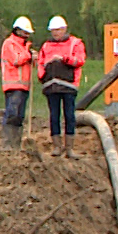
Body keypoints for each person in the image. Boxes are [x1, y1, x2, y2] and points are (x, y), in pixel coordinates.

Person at [36, 15, 87, 157]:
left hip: (68, 86)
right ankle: (57, 146)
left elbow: (80, 60)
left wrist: (64, 59)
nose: (55, 33)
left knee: (69, 116)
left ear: (64, 29)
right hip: (51, 86)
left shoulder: (75, 43)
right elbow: (41, 63)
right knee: (54, 115)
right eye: (53, 31)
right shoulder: (46, 45)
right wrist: (42, 76)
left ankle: (69, 147)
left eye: (58, 30)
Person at [0, 16, 36, 150]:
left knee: (19, 116)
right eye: (25, 32)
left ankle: (16, 144)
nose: (27, 35)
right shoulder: (10, 44)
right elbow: (16, 60)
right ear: (17, 30)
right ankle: (8, 143)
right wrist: (28, 54)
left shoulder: (25, 46)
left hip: (23, 86)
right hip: (13, 85)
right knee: (12, 114)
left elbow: (27, 63)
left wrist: (33, 58)